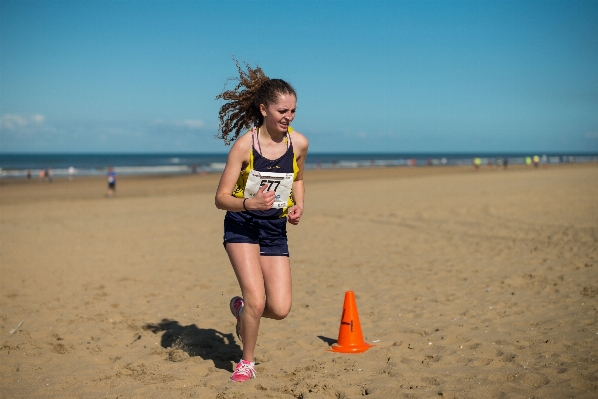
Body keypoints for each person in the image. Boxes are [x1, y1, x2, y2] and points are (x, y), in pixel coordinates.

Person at [214, 60, 308, 382]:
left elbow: (297, 178)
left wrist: (298, 205)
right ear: (264, 109)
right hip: (241, 225)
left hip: (274, 229)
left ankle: (242, 311)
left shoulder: (299, 144)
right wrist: (249, 203)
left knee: (279, 308)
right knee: (257, 298)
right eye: (283, 111)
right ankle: (246, 362)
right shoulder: (244, 145)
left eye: (293, 111)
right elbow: (220, 198)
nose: (289, 117)